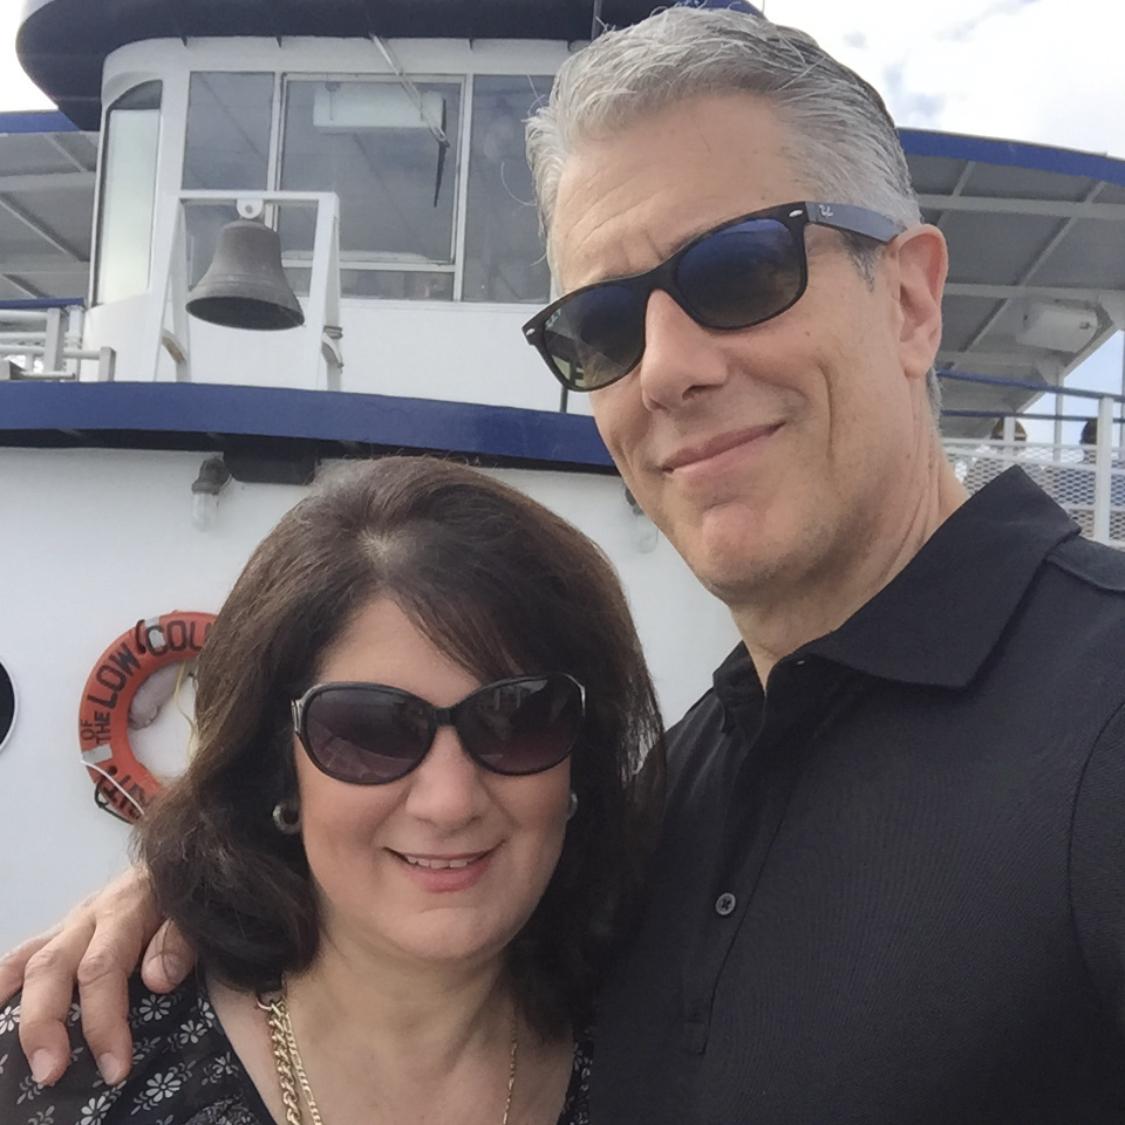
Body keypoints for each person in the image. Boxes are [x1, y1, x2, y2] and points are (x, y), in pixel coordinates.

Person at [6, 5, 1125, 1122]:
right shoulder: (686, 790)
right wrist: (189, 887)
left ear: (912, 301)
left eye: (743, 271)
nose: (666, 370)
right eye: (602, 328)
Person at [0, 456, 663, 1124]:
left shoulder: (670, 1048)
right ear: (281, 770)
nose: (450, 802)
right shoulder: (66, 1073)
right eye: (370, 729)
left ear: (579, 763)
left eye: (517, 719)